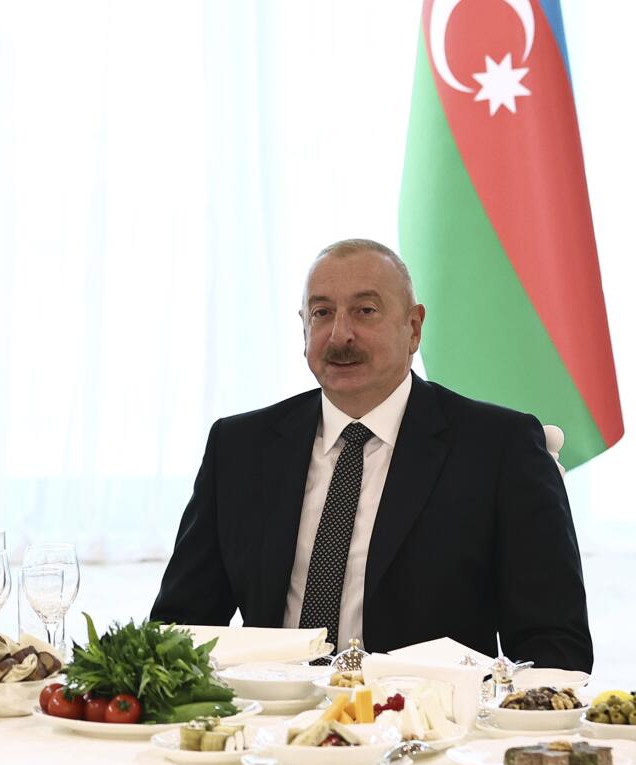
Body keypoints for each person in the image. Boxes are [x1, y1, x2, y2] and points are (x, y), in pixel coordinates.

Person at [150, 239, 592, 672]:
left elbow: (555, 646)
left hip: (432, 730)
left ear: (413, 328)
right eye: (322, 313)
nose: (340, 335)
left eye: (365, 311)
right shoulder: (239, 447)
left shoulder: (499, 447)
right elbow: (179, 628)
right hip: (273, 729)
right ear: (303, 328)